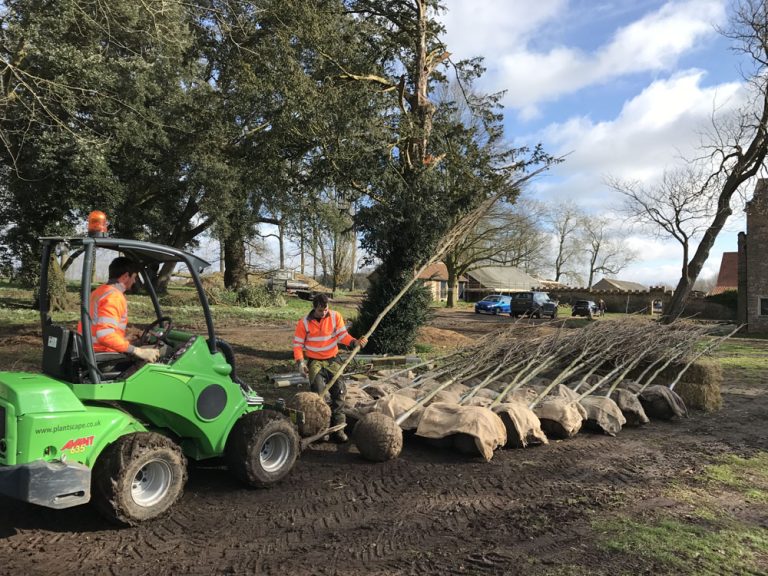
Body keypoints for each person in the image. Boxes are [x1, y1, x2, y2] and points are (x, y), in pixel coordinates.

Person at [293, 293, 367, 442]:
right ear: (314, 308)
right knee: (318, 395)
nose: (324, 312)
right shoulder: (304, 323)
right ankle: (321, 429)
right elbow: (298, 345)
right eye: (321, 310)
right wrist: (300, 363)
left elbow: (342, 335)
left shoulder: (335, 316)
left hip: (333, 360)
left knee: (339, 392)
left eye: (326, 309)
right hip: (315, 362)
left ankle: (338, 429)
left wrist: (354, 342)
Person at [78, 257, 160, 363]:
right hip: (104, 356)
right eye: (134, 277)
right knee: (161, 352)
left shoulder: (98, 292)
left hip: (90, 350)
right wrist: (138, 351)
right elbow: (104, 335)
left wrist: (124, 340)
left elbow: (98, 328)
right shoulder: (114, 296)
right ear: (126, 276)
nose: (134, 281)